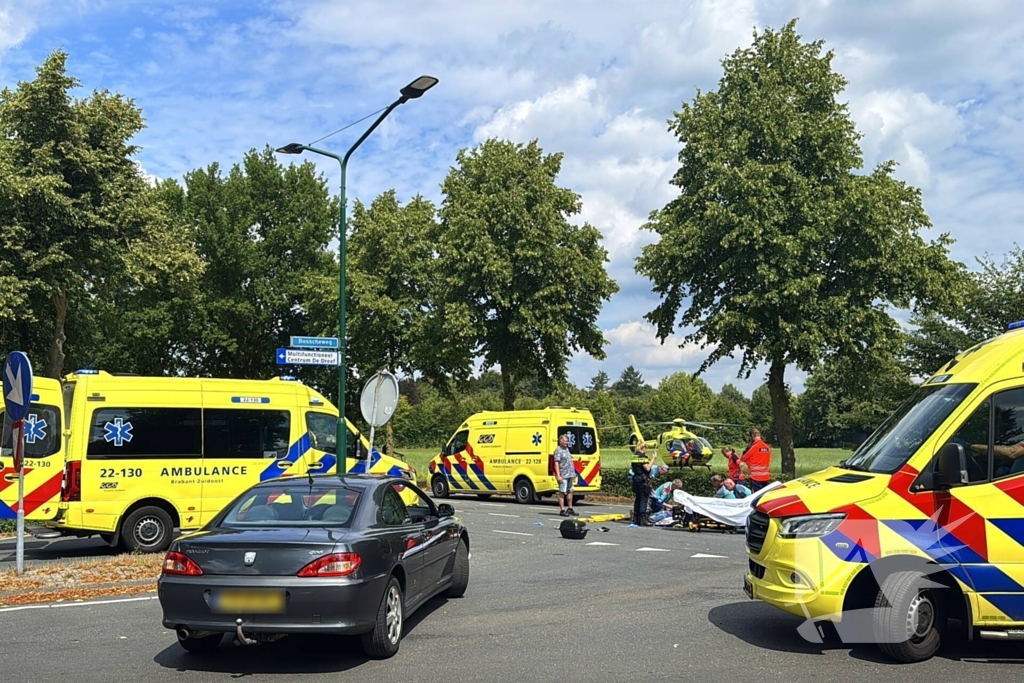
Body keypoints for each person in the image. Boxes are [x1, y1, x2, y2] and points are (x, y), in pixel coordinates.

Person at [630, 442, 658, 526]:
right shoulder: (643, 457)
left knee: (638, 498)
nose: (646, 451)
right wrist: (653, 458)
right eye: (646, 449)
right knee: (643, 499)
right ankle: (643, 519)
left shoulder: (634, 456)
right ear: (643, 448)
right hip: (642, 480)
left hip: (635, 478)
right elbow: (648, 468)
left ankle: (636, 518)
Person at [553, 434, 577, 517]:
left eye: (567, 440)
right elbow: (556, 463)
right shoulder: (558, 450)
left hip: (570, 474)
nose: (567, 442)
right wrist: (558, 475)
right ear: (561, 441)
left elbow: (570, 461)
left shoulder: (567, 449)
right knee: (562, 492)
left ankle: (570, 508)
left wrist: (573, 473)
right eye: (565, 441)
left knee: (570, 490)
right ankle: (562, 510)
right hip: (563, 475)